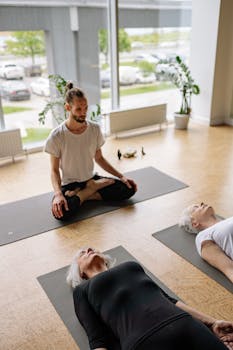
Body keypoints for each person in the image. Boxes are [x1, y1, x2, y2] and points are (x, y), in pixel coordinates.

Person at [67, 247, 233, 350]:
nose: (89, 249)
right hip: (144, 341)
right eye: (82, 253)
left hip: (186, 324)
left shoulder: (131, 266)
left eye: (92, 248)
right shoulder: (82, 290)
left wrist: (212, 322)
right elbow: (97, 339)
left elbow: (170, 300)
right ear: (81, 273)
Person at [44, 83, 137, 220]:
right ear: (68, 108)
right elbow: (54, 170)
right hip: (70, 184)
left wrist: (121, 177)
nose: (83, 112)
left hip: (90, 179)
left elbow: (99, 158)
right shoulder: (57, 136)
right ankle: (91, 190)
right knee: (61, 212)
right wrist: (58, 194)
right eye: (79, 109)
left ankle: (84, 193)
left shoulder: (94, 129)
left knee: (128, 189)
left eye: (85, 108)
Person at [179, 202, 233, 283]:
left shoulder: (229, 220)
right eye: (196, 208)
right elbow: (229, 269)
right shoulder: (203, 236)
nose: (202, 203)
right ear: (195, 223)